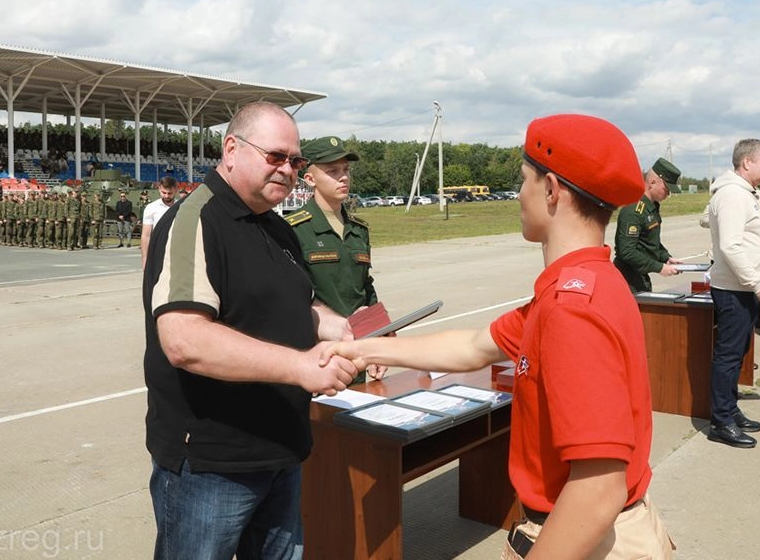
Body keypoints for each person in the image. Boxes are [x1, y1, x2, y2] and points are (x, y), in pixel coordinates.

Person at [326, 114, 674, 559]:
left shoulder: (572, 310)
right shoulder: (584, 283)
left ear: (550, 190)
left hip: (583, 538)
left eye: (524, 180)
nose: (520, 194)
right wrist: (363, 347)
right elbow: (474, 346)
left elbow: (598, 490)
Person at [143, 101, 357, 560]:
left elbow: (293, 307)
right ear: (232, 149)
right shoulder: (194, 220)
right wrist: (300, 367)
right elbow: (184, 339)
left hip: (280, 451)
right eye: (275, 156)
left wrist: (340, 328)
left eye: (296, 161)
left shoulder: (275, 228)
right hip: (212, 467)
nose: (288, 169)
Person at [286, 135, 380, 384]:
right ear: (310, 179)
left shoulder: (359, 229)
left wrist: (379, 340)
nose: (343, 177)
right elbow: (291, 298)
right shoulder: (293, 230)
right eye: (332, 171)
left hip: (356, 355)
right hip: (317, 358)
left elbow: (366, 288)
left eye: (346, 170)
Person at [706, 139, 760, 448]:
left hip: (741, 288)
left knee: (737, 355)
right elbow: (730, 245)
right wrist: (757, 283)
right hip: (735, 289)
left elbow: (751, 240)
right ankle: (721, 421)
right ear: (747, 163)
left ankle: (730, 410)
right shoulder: (733, 194)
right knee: (728, 357)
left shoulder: (746, 193)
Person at [613, 158, 683, 292]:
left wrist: (666, 258)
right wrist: (659, 268)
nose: (668, 194)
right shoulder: (634, 210)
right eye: (666, 189)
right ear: (652, 182)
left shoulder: (651, 208)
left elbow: (649, 243)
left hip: (639, 278)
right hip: (627, 281)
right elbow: (627, 251)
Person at [140, 176, 178, 266]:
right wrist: (145, 259)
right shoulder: (151, 208)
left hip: (177, 251)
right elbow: (146, 235)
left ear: (176, 190)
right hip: (158, 250)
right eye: (163, 192)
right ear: (159, 188)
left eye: (170, 193)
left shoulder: (182, 207)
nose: (166, 196)